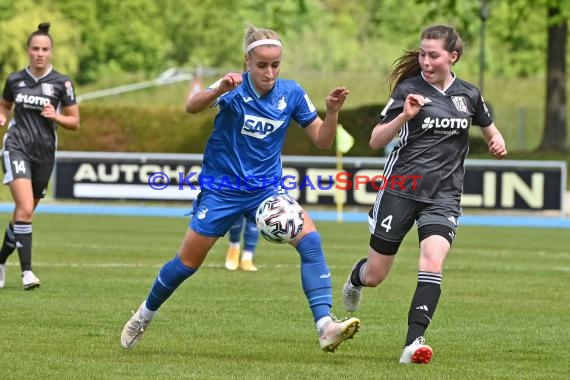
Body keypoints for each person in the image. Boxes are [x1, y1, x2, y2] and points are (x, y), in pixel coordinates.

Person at [121, 24, 360, 352]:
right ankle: (144, 315)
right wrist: (218, 88)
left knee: (311, 241)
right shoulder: (231, 88)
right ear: (247, 62)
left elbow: (322, 139)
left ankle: (325, 326)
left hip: (267, 191)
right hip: (222, 191)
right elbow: (191, 106)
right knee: (186, 263)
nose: (270, 72)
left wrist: (332, 112)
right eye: (262, 65)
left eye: (275, 64)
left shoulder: (291, 93)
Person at [341, 24, 507, 364]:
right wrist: (405, 114)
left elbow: (490, 129)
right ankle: (355, 279)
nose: (426, 61)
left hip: (443, 196)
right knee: (376, 275)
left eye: (433, 55)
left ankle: (413, 343)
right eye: (422, 54)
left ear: (452, 57)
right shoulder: (409, 89)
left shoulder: (469, 95)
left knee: (432, 262)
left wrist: (495, 140)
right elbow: (374, 141)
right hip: (400, 190)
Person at [0, 23, 80, 290]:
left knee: (23, 214)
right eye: (35, 48)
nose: (39, 53)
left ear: (51, 52)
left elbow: (74, 122)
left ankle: (0, 262)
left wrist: (56, 116)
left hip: (44, 154)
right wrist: (2, 116)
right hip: (16, 147)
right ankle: (27, 273)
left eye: (45, 49)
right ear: (28, 50)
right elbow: (4, 106)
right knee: (24, 209)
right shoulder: (14, 80)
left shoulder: (62, 83)